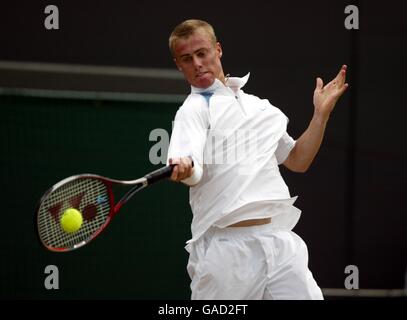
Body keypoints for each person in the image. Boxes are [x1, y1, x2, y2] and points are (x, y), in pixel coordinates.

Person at [166, 19, 348, 300]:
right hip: (226, 252)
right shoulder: (192, 111)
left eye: (202, 53)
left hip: (279, 242)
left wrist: (320, 115)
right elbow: (192, 168)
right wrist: (187, 168)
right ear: (179, 65)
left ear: (218, 50)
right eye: (187, 59)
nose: (197, 64)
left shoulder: (262, 108)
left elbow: (298, 160)